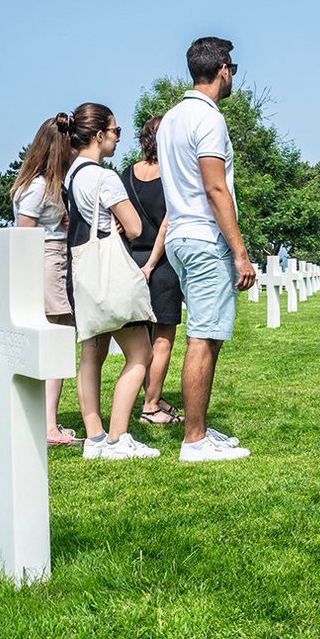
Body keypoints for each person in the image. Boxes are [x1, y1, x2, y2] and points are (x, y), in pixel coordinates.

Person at [155, 36, 255, 462]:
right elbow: (215, 187)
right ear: (224, 69)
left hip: (179, 233)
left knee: (204, 334)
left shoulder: (171, 119)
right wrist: (239, 251)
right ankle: (194, 440)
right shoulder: (209, 119)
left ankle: (199, 429)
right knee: (204, 338)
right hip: (202, 236)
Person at [60, 104, 159, 460]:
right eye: (116, 131)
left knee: (91, 353)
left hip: (83, 274)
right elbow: (133, 227)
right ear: (99, 135)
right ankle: (118, 437)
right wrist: (118, 224)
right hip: (112, 276)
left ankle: (95, 436)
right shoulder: (106, 177)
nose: (119, 137)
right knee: (140, 354)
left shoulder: (71, 175)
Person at [10, 117, 81, 447]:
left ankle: (44, 419)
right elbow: (25, 234)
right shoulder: (39, 188)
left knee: (58, 339)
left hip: (50, 260)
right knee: (58, 340)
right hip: (47, 263)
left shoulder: (43, 185)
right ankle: (49, 426)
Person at [121, 115, 185, 426]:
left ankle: (153, 396)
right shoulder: (172, 175)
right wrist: (151, 263)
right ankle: (150, 406)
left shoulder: (126, 174)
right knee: (163, 337)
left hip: (131, 260)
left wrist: (137, 263)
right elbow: (167, 223)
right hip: (160, 265)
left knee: (141, 338)